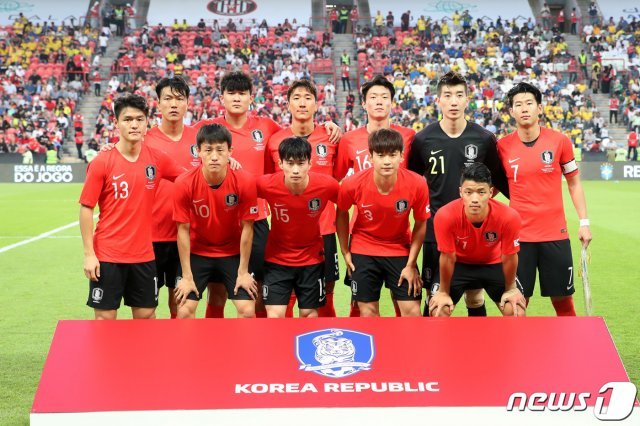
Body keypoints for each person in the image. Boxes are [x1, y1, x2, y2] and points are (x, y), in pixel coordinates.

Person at [194, 72, 340, 318]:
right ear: (222, 98)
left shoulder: (268, 128)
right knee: (217, 288)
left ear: (251, 98)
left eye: (242, 93)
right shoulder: (208, 129)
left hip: (261, 219)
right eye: (232, 93)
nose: (237, 98)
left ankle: (280, 342)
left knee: (264, 289)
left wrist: (330, 125)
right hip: (220, 218)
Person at [408, 71, 510, 317]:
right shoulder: (423, 140)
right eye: (447, 95)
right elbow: (410, 183)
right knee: (436, 301)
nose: (453, 101)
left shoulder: (484, 139)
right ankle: (434, 353)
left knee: (475, 296)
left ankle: (479, 350)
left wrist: (480, 205)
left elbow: (501, 183)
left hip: (476, 232)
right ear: (438, 100)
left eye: (458, 95)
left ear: (467, 100)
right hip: (436, 234)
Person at [79, 94, 184, 320]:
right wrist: (89, 254)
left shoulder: (157, 159)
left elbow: (190, 179)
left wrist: (226, 166)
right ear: (116, 123)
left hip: (144, 255)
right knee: (105, 318)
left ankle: (143, 358)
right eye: (127, 119)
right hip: (108, 255)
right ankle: (108, 358)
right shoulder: (102, 162)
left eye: (139, 119)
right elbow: (86, 208)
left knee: (146, 315)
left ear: (147, 122)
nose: (134, 124)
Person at [498, 82, 592, 316]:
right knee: (514, 305)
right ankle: (514, 352)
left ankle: (571, 352)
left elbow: (574, 182)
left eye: (529, 103)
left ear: (540, 108)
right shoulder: (502, 146)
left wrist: (584, 222)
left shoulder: (560, 142)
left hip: (555, 235)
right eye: (518, 105)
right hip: (519, 238)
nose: (524, 108)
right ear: (511, 111)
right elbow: (491, 187)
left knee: (563, 301)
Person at [335, 75, 415, 317]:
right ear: (364, 104)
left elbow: (417, 180)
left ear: (392, 102)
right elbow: (337, 178)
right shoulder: (349, 139)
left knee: (404, 302)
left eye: (384, 97)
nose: (379, 102)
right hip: (362, 235)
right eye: (373, 97)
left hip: (399, 234)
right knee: (360, 307)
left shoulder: (409, 137)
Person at [265, 80, 340, 317]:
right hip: (285, 236)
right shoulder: (275, 141)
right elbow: (269, 182)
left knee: (325, 298)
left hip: (323, 231)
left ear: (317, 104)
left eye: (308, 97)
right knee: (283, 301)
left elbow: (335, 181)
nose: (302, 103)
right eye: (296, 97)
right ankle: (283, 350)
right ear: (287, 104)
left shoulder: (332, 138)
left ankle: (325, 349)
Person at [336, 128, 430, 317]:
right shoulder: (352, 183)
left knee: (412, 312)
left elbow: (420, 223)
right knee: (368, 313)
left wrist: (411, 264)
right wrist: (346, 252)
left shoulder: (417, 183)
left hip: (399, 248)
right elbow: (341, 213)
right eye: (380, 155)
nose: (387, 161)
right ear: (370, 157)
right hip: (364, 248)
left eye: (392, 155)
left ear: (401, 156)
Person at [172, 124, 259, 319]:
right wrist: (186, 276)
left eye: (220, 150)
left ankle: (242, 350)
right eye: (208, 150)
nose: (214, 156)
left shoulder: (244, 181)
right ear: (198, 152)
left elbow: (248, 227)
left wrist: (243, 272)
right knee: (185, 310)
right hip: (197, 252)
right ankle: (191, 350)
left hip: (232, 253)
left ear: (230, 151)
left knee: (247, 310)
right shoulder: (184, 183)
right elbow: (182, 231)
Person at [429, 163, 525, 317]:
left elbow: (509, 256)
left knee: (516, 311)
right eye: (469, 192)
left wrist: (511, 289)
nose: (475, 199)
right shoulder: (445, 215)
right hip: (459, 265)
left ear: (490, 192)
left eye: (481, 192)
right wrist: (443, 292)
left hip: (493, 264)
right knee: (438, 311)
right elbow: (447, 257)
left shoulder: (509, 216)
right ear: (461, 192)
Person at [258, 137, 339, 318]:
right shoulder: (266, 184)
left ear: (310, 163)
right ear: (280, 163)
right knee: (274, 316)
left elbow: (346, 204)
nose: (295, 170)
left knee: (308, 314)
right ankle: (279, 347)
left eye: (301, 163)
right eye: (290, 163)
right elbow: (238, 188)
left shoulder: (327, 185)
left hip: (311, 260)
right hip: (276, 260)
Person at [144, 77, 201, 318]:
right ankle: (154, 354)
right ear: (158, 104)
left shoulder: (201, 139)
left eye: (179, 99)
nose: (174, 104)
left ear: (188, 103)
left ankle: (181, 354)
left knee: (182, 307)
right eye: (168, 98)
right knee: (147, 308)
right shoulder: (144, 139)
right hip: (152, 236)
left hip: (188, 235)